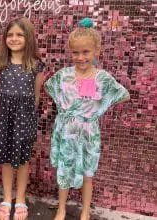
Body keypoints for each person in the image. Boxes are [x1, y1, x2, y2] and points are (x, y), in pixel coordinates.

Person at [45, 18, 130, 220]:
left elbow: (122, 94)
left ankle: (85, 211)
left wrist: (98, 108)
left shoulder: (102, 78)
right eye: (76, 52)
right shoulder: (63, 75)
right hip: (66, 131)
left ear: (96, 52)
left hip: (89, 132)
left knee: (88, 174)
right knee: (64, 172)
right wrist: (67, 112)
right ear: (70, 52)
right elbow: (50, 87)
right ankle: (61, 209)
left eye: (86, 52)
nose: (80, 57)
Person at [0, 17, 44, 220]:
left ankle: (20, 199)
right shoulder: (0, 63)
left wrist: (28, 119)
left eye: (19, 34)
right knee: (7, 161)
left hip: (25, 118)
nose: (14, 38)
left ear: (28, 37)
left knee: (23, 159)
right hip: (4, 119)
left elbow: (36, 96)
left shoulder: (36, 65)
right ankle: (6, 198)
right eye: (10, 35)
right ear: (4, 39)